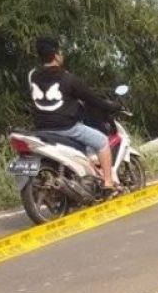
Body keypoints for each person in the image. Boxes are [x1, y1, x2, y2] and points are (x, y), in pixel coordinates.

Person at [28, 36, 120, 192]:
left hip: (41, 128)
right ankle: (108, 182)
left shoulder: (33, 76)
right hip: (66, 127)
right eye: (61, 52)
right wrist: (111, 106)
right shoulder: (68, 78)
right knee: (102, 142)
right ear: (56, 55)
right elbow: (92, 99)